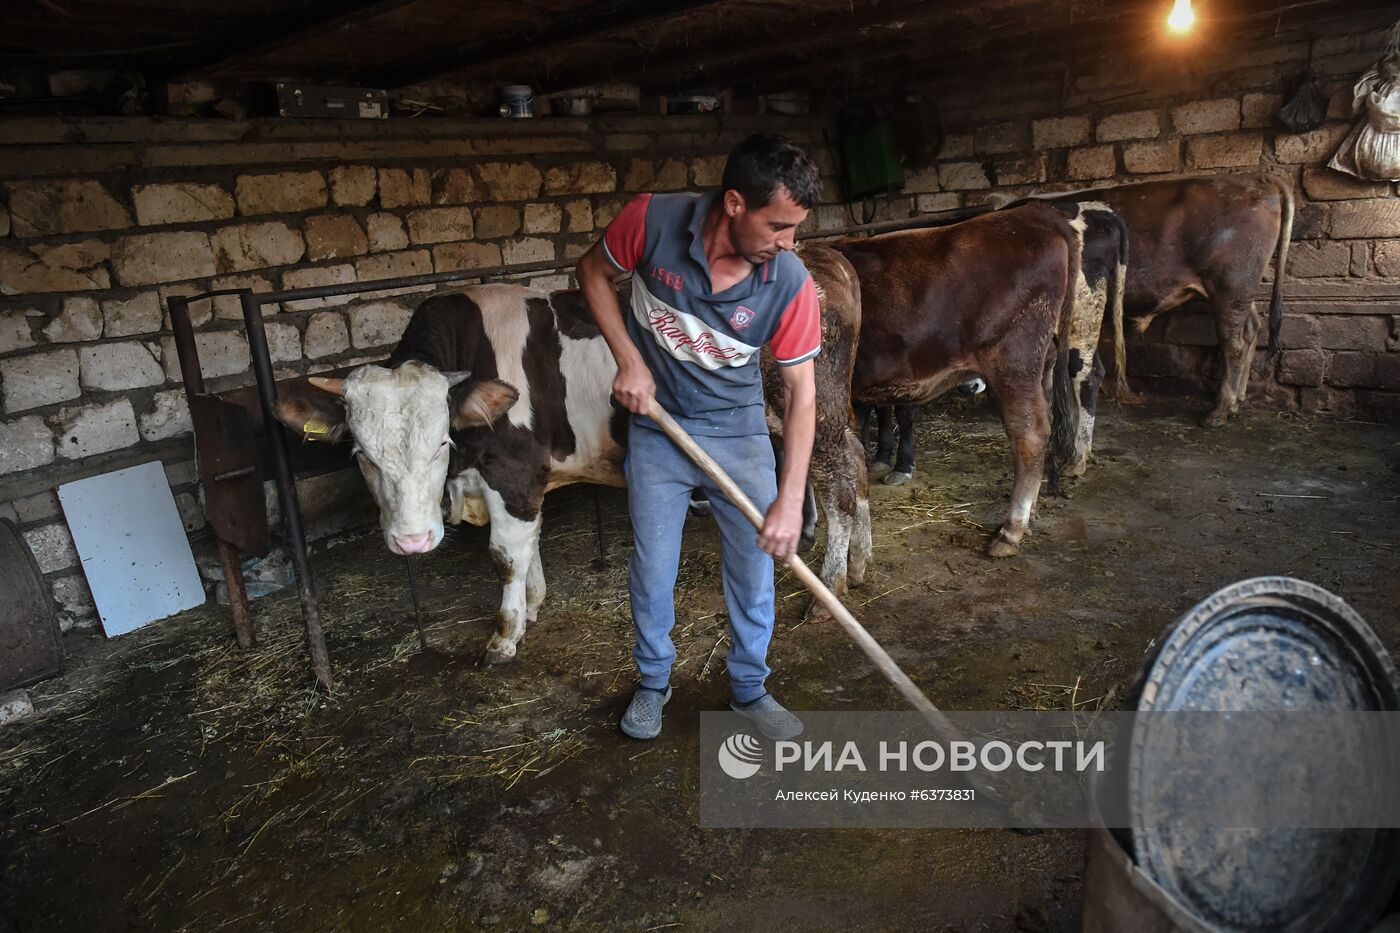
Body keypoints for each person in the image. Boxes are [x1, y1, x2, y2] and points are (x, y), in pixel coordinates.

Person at [576, 133, 822, 742]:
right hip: (659, 428)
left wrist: (789, 503)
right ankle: (654, 681)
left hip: (738, 434)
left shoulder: (788, 281)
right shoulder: (651, 221)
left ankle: (749, 688)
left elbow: (803, 397)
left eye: (796, 229)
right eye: (780, 226)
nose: (789, 243)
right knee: (654, 567)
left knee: (753, 567)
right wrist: (628, 359)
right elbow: (591, 272)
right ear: (735, 203)